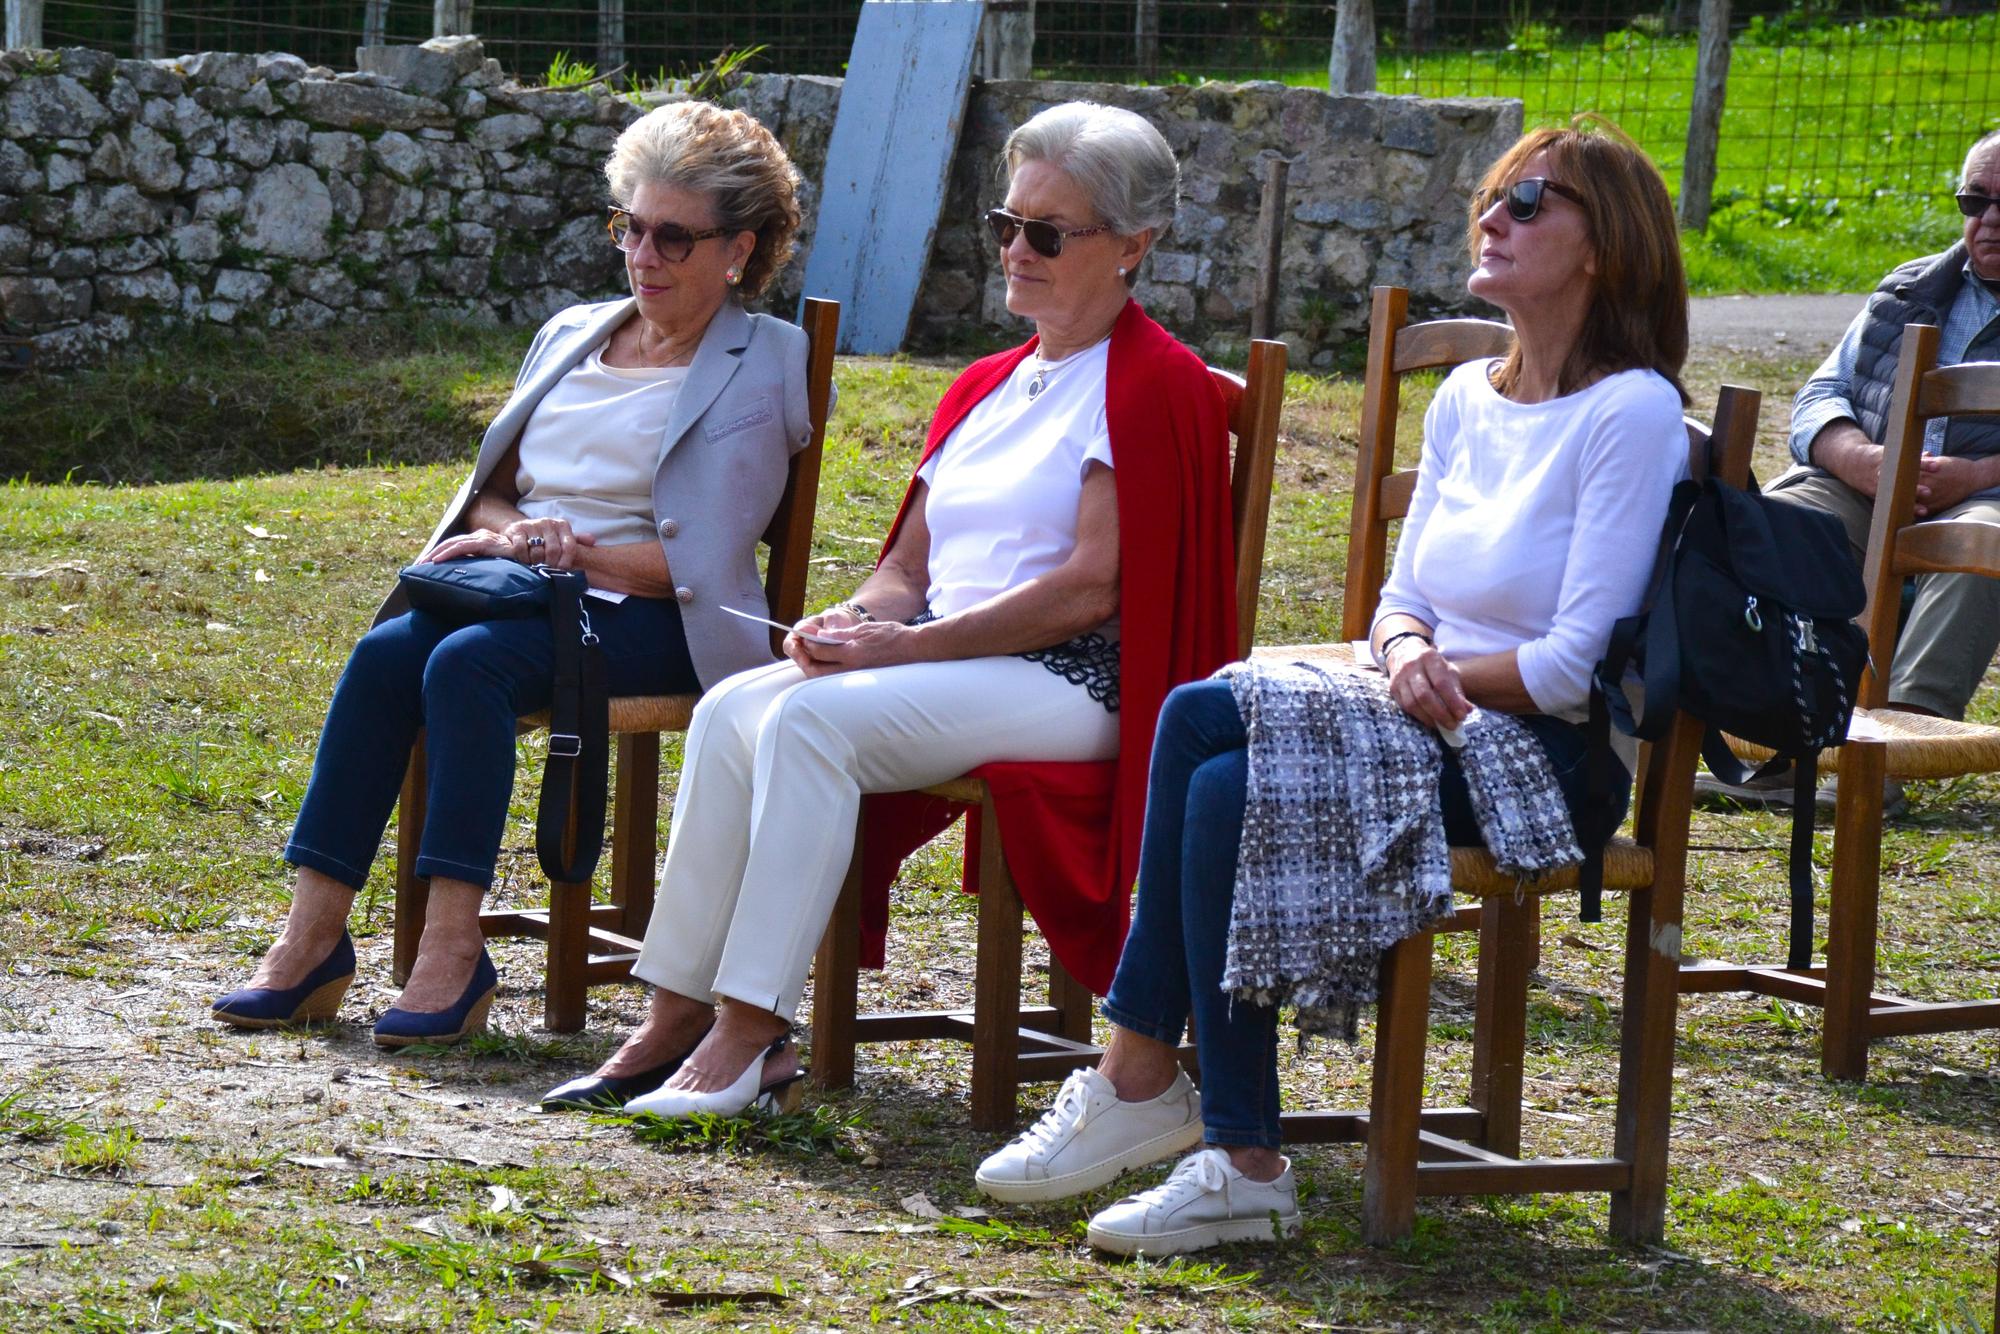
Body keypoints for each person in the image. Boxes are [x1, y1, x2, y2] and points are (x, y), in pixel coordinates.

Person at [977, 119, 1694, 1257]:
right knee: (1218, 785)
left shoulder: (1633, 412)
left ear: (1601, 246)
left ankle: (1140, 1072)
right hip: (1413, 716)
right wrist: (1403, 644)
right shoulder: (1464, 396)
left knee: (1202, 710)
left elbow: (1566, 668)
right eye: (1489, 197)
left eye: (1527, 202)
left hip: (1538, 758)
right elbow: (1397, 597)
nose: (1490, 218)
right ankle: (1239, 1154)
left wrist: (1420, 663)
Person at [541, 100, 1238, 1117]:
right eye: (1005, 225)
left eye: (1048, 232)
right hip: (953, 661)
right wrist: (852, 618)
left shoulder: (1149, 386)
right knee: (740, 701)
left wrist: (900, 651)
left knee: (815, 724)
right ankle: (674, 1010)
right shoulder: (987, 384)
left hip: (1078, 677)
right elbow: (905, 570)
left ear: (1132, 246)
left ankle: (750, 1033)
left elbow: (1090, 590)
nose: (1017, 250)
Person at [212, 101, 815, 1049]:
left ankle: (453, 951)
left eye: (672, 237)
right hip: (526, 589)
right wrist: (520, 537)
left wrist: (571, 553)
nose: (643, 255)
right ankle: (312, 940)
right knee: (386, 654)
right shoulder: (573, 329)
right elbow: (487, 496)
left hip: (657, 611)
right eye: (629, 226)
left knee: (467, 666)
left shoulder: (768, 361)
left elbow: (699, 561)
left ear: (739, 249)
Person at [1698, 129, 2000, 814]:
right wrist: (1858, 458)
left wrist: (1975, 474)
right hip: (1872, 483)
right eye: (1975, 200)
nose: (1989, 220)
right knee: (1776, 525)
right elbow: (1820, 393)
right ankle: (1777, 741)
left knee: (1978, 541)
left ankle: (1891, 754)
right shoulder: (1907, 288)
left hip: (1985, 497)